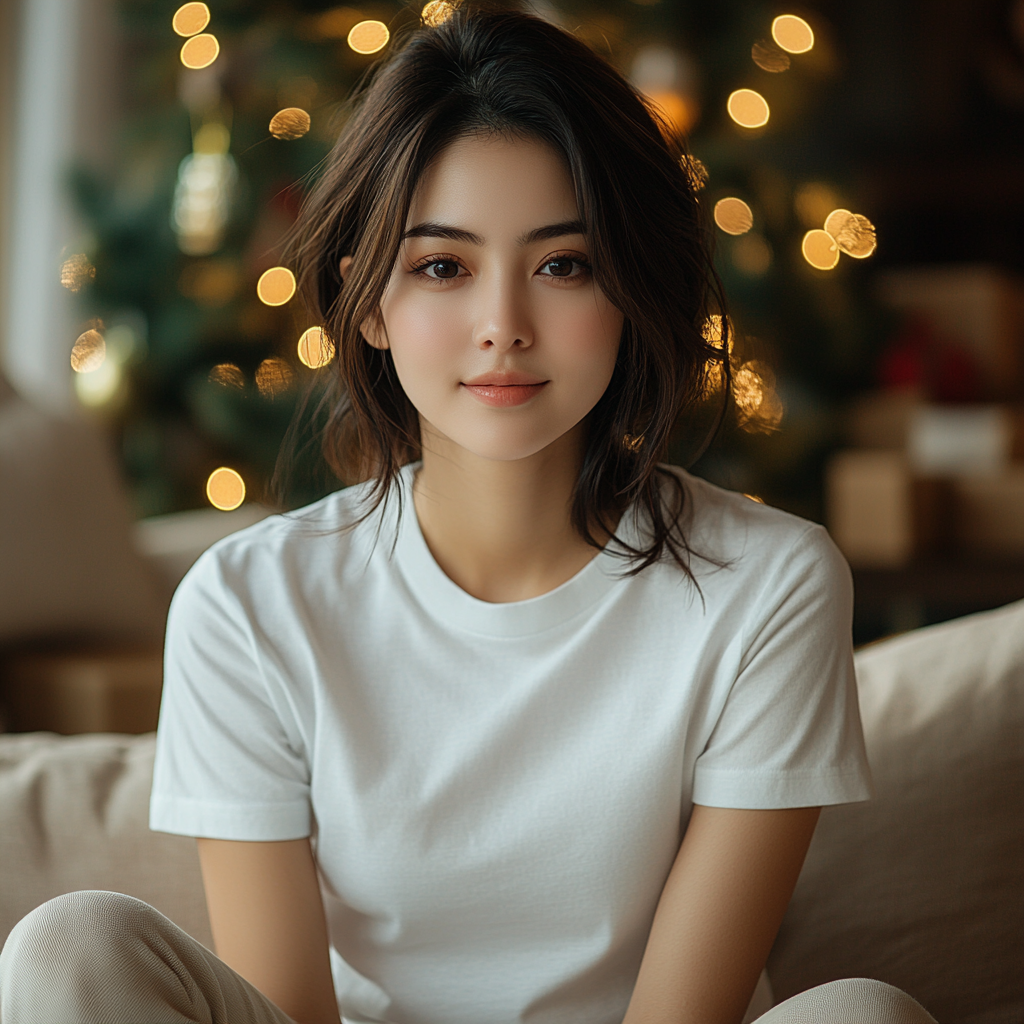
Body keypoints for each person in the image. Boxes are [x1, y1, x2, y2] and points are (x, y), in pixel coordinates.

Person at [0, 6, 938, 1023]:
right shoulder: (247, 603)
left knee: (862, 1015)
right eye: (442, 266)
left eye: (564, 264)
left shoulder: (768, 583)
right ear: (368, 301)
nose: (503, 328)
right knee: (73, 945)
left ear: (630, 289)